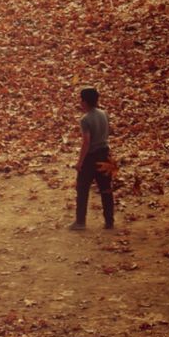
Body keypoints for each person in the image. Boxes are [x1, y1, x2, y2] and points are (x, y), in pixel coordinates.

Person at [70, 87, 114, 230]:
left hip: (91, 157)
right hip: (105, 154)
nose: (80, 103)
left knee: (82, 189)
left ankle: (80, 221)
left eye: (81, 100)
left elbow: (86, 142)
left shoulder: (85, 119)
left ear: (85, 101)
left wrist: (80, 162)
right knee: (106, 188)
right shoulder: (104, 113)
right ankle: (109, 221)